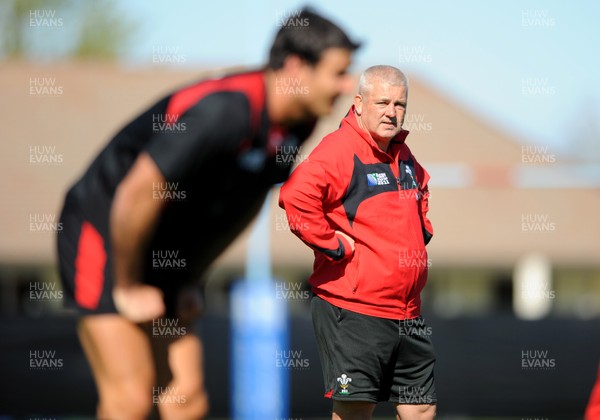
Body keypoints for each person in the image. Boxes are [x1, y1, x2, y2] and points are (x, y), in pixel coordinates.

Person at [56, 9, 359, 419]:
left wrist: (188, 277)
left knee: (186, 401)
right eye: (338, 73)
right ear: (294, 67)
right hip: (105, 228)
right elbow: (138, 192)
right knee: (130, 399)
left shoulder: (296, 124)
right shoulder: (226, 111)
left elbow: (241, 205)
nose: (348, 85)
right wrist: (126, 285)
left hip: (164, 247)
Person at [279, 65, 436, 419]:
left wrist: (420, 230)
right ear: (359, 103)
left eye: (400, 105)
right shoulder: (340, 149)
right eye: (382, 102)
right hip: (353, 311)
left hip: (408, 312)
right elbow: (295, 195)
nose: (391, 112)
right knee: (355, 409)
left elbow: (421, 187)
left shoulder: (403, 154)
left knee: (421, 408)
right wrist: (332, 245)